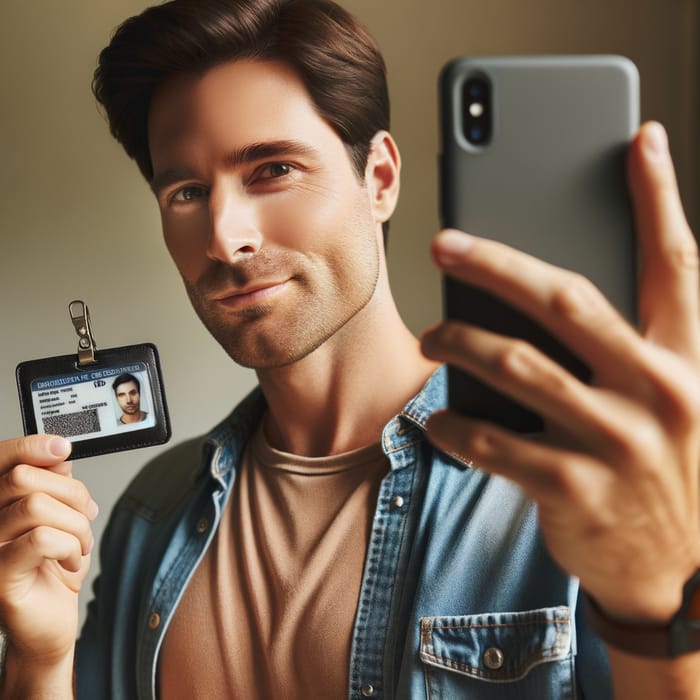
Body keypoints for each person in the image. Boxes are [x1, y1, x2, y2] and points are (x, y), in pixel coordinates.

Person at [1, 0, 699, 698]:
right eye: (186, 191)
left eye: (272, 169)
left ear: (381, 180)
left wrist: (656, 607)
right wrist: (37, 657)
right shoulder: (151, 511)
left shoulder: (569, 485)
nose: (224, 237)